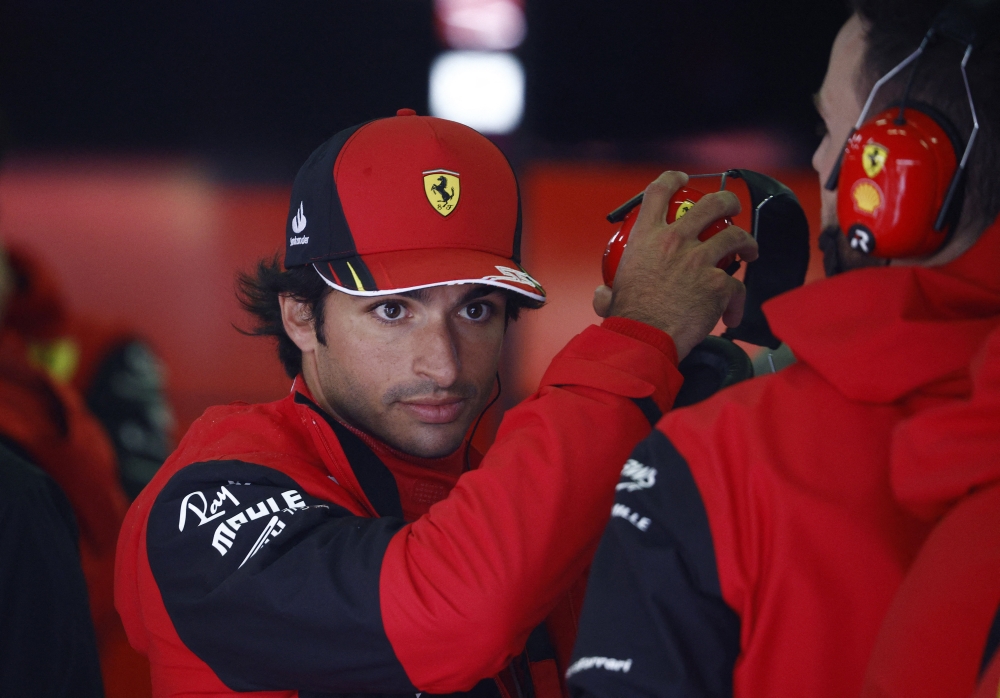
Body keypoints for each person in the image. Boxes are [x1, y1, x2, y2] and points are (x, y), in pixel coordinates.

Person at [114, 110, 758, 697]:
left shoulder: (508, 492)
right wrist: (634, 344)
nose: (445, 365)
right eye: (393, 311)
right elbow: (448, 611)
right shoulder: (206, 499)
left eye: (475, 310)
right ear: (301, 318)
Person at [566, 1, 1000, 697]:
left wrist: (630, 351)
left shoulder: (722, 457)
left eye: (830, 131)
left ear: (896, 177)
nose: (819, 160)